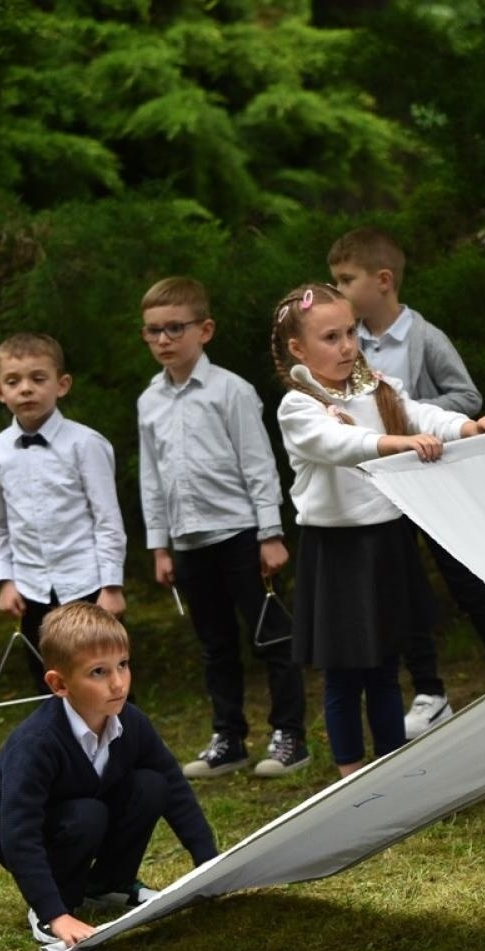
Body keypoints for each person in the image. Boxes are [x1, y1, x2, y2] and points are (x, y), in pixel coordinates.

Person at [270, 283, 485, 777]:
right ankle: (351, 777)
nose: (346, 346)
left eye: (350, 333)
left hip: (386, 541)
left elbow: (423, 414)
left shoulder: (376, 387)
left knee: (385, 665)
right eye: (330, 337)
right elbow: (338, 443)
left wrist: (468, 428)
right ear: (298, 349)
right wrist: (397, 443)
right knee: (344, 675)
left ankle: (392, 768)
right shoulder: (299, 406)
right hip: (336, 550)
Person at [329, 227, 485, 735]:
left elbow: (466, 396)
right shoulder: (348, 345)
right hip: (384, 491)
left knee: (469, 583)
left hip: (437, 484)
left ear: (383, 280)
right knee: (403, 592)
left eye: (345, 279)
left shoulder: (425, 337)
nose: (337, 291)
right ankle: (430, 692)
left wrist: (405, 419)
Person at [135, 276, 309, 780]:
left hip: (240, 534)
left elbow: (258, 464)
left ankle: (290, 735)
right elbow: (152, 477)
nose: (164, 339)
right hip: (188, 541)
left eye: (175, 328)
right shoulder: (149, 401)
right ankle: (229, 738)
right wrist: (159, 546)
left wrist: (270, 533)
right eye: (153, 331)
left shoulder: (231, 390)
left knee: (271, 636)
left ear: (204, 330)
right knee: (215, 645)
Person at [0, 603, 219, 947]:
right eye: (98, 672)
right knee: (86, 814)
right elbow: (18, 831)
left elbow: (175, 788)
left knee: (152, 785)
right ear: (60, 684)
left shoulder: (131, 721)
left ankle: (108, 885)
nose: (118, 683)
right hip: (28, 833)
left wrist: (210, 864)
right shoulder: (36, 743)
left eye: (123, 665)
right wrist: (53, 911)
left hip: (88, 814)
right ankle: (56, 905)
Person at [0, 333, 126, 693]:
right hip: (31, 591)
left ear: (62, 385)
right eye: (14, 381)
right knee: (51, 687)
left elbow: (107, 520)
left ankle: (121, 734)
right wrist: (5, 580)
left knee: (106, 685)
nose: (26, 389)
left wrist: (111, 586)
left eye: (38, 378)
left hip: (88, 586)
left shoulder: (86, 443)